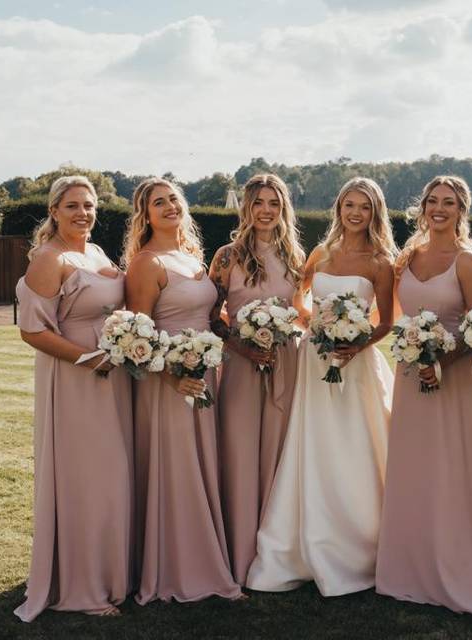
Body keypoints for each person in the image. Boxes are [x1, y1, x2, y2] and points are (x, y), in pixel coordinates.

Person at [375, 176, 472, 617]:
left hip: (453, 382)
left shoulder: (467, 262)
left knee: (451, 470)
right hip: (410, 379)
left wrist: (442, 358)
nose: (440, 208)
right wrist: (414, 351)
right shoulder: (406, 258)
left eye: (450, 202)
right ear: (422, 207)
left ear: (462, 210)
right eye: (433, 201)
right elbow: (395, 319)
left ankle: (457, 566)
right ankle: (409, 567)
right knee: (413, 469)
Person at [246, 177, 396, 597]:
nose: (355, 213)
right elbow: (300, 300)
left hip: (356, 363)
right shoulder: (321, 252)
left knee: (356, 444)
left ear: (374, 213)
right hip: (316, 361)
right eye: (349, 204)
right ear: (339, 208)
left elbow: (386, 320)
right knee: (315, 442)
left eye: (364, 207)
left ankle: (361, 542)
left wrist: (355, 341)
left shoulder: (382, 261)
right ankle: (304, 539)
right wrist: (318, 327)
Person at [13, 176, 134, 621]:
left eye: (89, 205)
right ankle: (81, 587)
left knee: (112, 475)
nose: (83, 213)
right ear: (54, 211)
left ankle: (112, 572)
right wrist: (88, 358)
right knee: (86, 479)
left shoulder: (96, 252)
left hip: (113, 377)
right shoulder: (49, 258)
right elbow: (32, 330)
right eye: (73, 206)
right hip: (76, 380)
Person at [123, 177, 242, 604]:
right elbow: (137, 335)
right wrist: (172, 377)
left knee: (201, 464)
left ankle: (203, 556)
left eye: (174, 199)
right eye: (159, 202)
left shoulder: (192, 257)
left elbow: (209, 314)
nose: (170, 206)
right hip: (167, 383)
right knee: (176, 470)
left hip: (203, 373)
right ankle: (177, 567)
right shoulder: (147, 263)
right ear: (146, 214)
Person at [208, 174, 306, 586]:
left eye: (273, 202)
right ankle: (237, 548)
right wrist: (244, 347)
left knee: (281, 450)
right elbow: (211, 317)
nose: (265, 210)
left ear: (283, 208)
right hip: (241, 364)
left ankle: (277, 551)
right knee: (240, 449)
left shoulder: (296, 257)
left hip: (287, 361)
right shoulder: (227, 256)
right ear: (245, 207)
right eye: (258, 202)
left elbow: (303, 312)